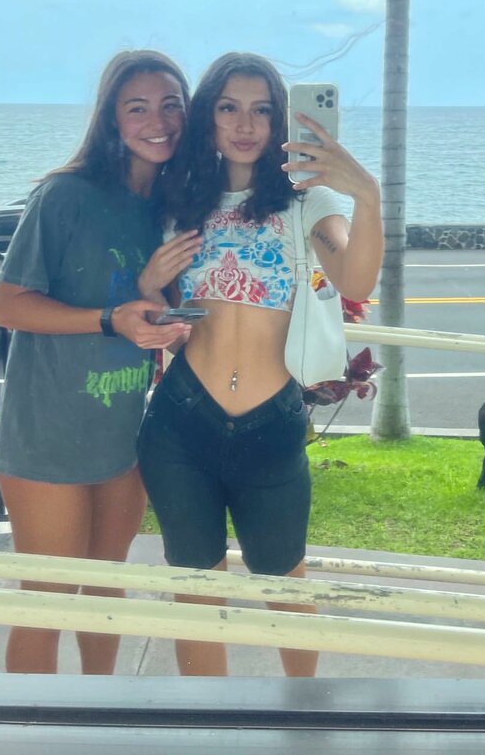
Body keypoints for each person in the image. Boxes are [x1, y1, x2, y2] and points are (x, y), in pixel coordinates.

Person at [136, 52, 383, 677]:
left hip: (270, 424)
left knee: (286, 590)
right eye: (229, 108)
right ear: (208, 117)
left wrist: (367, 194)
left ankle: (304, 718)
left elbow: (356, 278)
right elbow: (162, 317)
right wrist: (149, 283)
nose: (244, 125)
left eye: (261, 110)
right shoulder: (180, 202)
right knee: (197, 594)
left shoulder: (305, 204)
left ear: (280, 121)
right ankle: (210, 721)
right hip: (181, 422)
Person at [0, 50, 203, 675]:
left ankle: (98, 712)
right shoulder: (66, 196)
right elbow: (7, 305)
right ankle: (33, 724)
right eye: (137, 107)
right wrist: (109, 318)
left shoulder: (168, 210)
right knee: (47, 604)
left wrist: (160, 306)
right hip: (46, 440)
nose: (157, 121)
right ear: (112, 119)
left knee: (107, 591)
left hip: (123, 439)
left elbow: (164, 325)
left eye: (170, 105)